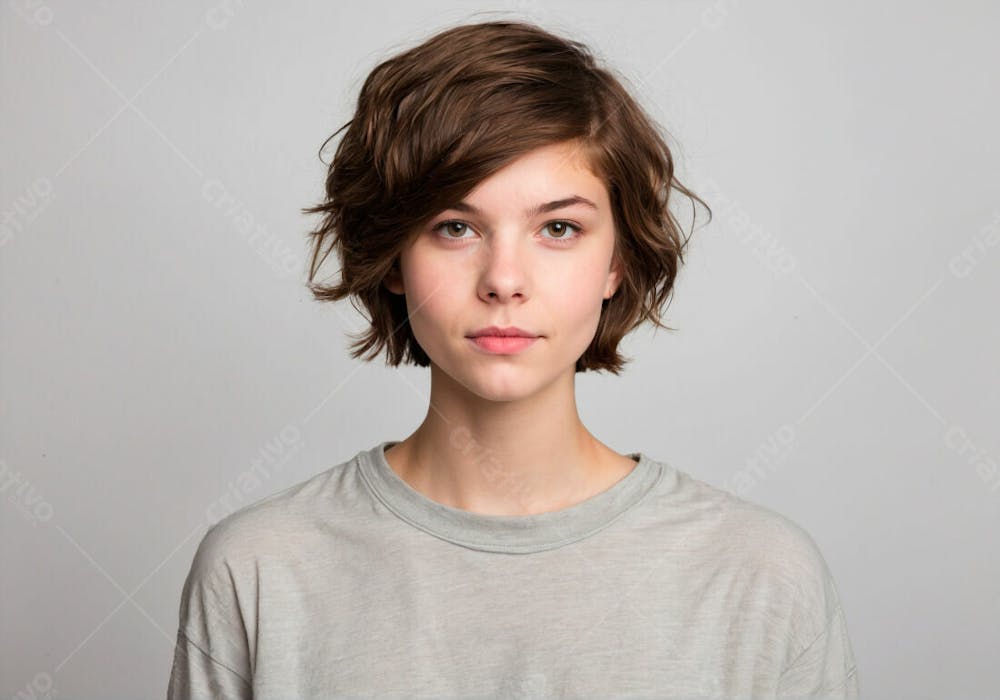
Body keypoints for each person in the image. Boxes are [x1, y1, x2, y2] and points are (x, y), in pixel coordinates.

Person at [167, 18, 859, 699]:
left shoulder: (761, 576)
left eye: (559, 228)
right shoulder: (259, 570)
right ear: (395, 259)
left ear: (617, 261)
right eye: (455, 227)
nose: (504, 279)